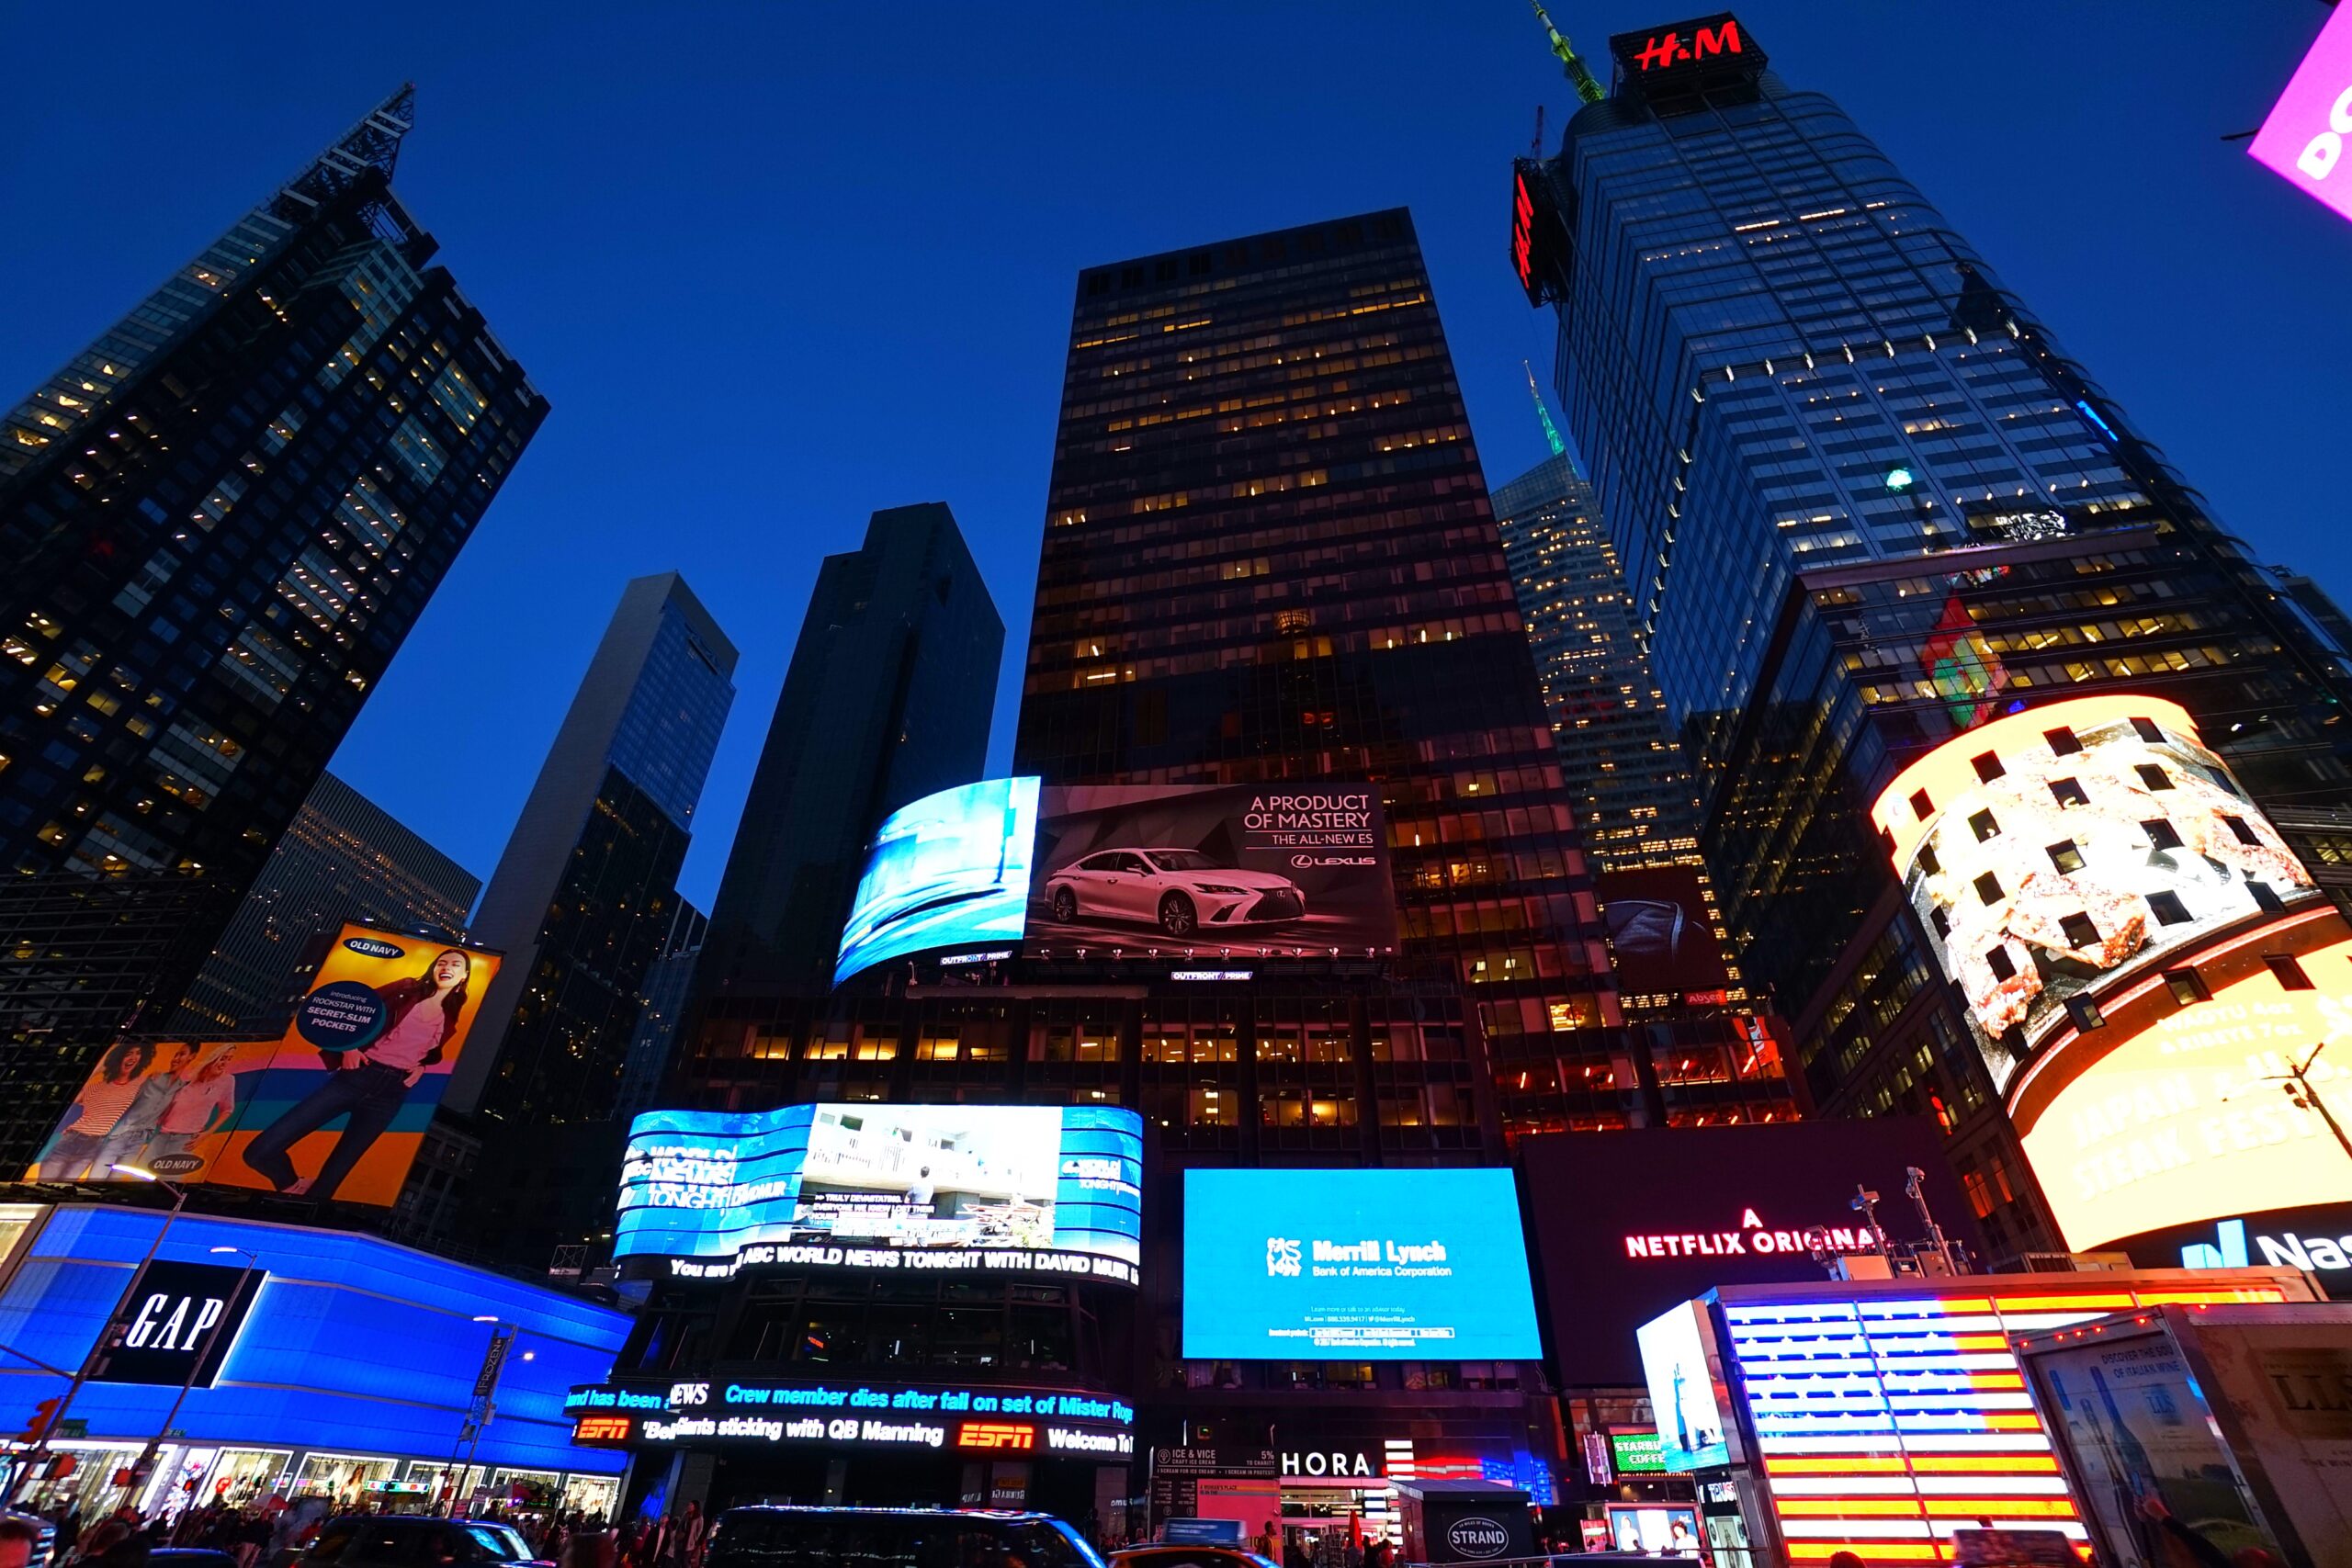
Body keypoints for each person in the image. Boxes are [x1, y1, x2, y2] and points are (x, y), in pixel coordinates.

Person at [240, 948, 473, 1199]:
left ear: (464, 976)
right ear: (434, 968)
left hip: (392, 1094)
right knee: (260, 1152)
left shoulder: (451, 1016)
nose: (447, 967)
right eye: (442, 962)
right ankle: (291, 1187)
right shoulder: (406, 989)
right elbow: (356, 1009)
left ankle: (300, 1220)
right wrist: (348, 1047)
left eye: (455, 965)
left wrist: (422, 1067)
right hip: (356, 1076)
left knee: (330, 1182)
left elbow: (431, 1051)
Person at [35, 1043, 154, 1179]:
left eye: (138, 1053)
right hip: (71, 1139)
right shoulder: (95, 1087)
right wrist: (98, 1070)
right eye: (128, 1054)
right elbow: (73, 1099)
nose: (133, 1057)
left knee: (64, 1188)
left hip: (94, 1146)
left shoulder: (140, 1082)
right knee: (42, 1183)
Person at [144, 1046, 243, 1169]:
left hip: (185, 1139)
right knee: (136, 1176)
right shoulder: (190, 1077)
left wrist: (206, 1134)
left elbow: (227, 1110)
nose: (225, 1063)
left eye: (229, 1059)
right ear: (213, 1058)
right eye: (223, 1058)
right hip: (161, 1134)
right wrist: (157, 1076)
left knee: (167, 1180)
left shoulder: (227, 1080)